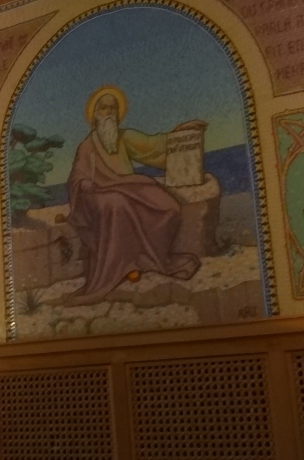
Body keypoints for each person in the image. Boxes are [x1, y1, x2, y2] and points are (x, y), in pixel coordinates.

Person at [65, 88, 203, 304]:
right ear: (95, 114)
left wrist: (179, 133)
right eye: (104, 108)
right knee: (115, 204)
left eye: (113, 108)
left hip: (128, 186)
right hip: (97, 194)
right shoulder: (86, 146)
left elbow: (153, 144)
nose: (108, 113)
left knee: (168, 206)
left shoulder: (124, 137)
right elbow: (77, 176)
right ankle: (123, 266)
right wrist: (83, 183)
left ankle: (141, 260)